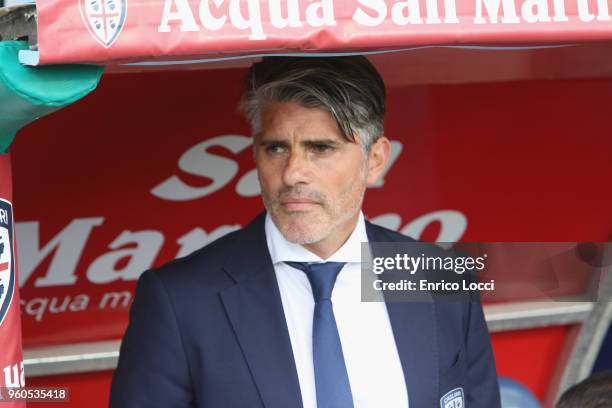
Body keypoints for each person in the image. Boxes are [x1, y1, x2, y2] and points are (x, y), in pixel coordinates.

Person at [109, 56, 501, 408]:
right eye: (276, 148)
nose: (293, 172)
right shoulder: (181, 301)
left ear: (375, 160)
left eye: (320, 148)